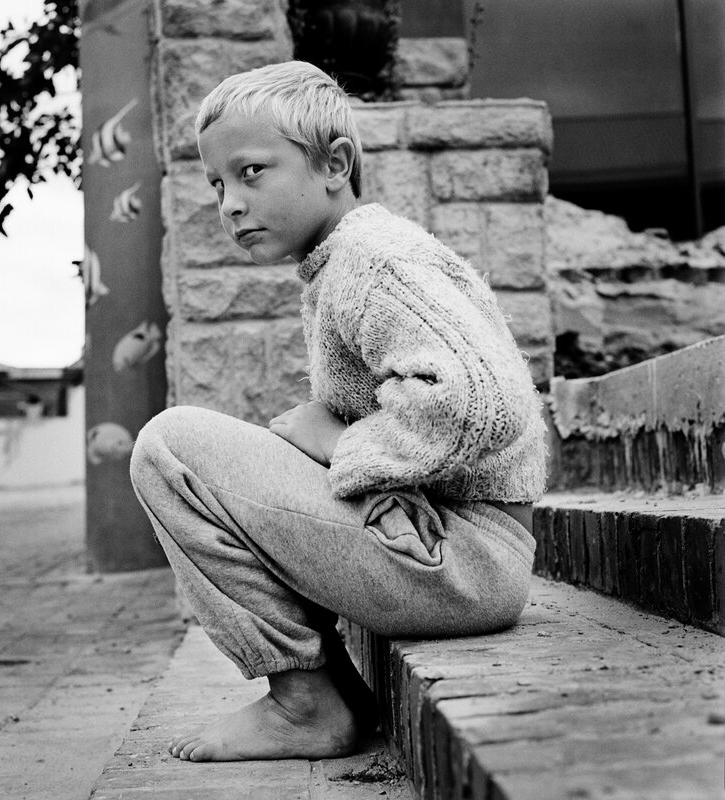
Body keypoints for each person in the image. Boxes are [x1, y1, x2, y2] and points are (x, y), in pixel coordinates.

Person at [129, 60, 546, 763]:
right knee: (243, 454)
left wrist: (335, 441)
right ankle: (330, 695)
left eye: (251, 171)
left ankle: (304, 706)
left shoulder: (374, 262)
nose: (229, 202)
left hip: (464, 563)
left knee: (170, 449)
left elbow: (480, 403)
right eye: (216, 183)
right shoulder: (344, 259)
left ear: (335, 164)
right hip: (448, 550)